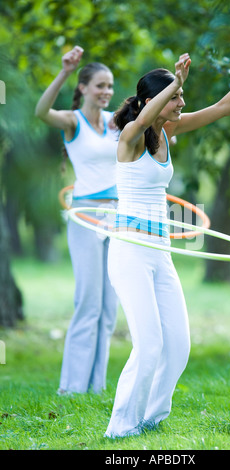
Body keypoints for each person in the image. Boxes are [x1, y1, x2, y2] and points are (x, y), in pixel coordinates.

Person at [104, 45, 230, 438]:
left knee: (178, 345)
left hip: (160, 254)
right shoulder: (130, 138)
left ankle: (152, 420)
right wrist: (175, 80)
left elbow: (222, 108)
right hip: (129, 251)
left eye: (180, 94)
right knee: (149, 346)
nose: (182, 101)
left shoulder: (169, 131)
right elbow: (142, 118)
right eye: (176, 96)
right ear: (152, 100)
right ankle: (119, 430)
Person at [35, 46, 119, 394]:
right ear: (84, 87)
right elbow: (41, 112)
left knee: (109, 309)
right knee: (88, 303)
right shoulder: (73, 122)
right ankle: (71, 388)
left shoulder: (118, 121)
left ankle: (95, 387)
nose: (106, 92)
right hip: (85, 217)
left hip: (117, 218)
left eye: (111, 86)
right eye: (100, 85)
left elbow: (153, 128)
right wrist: (65, 71)